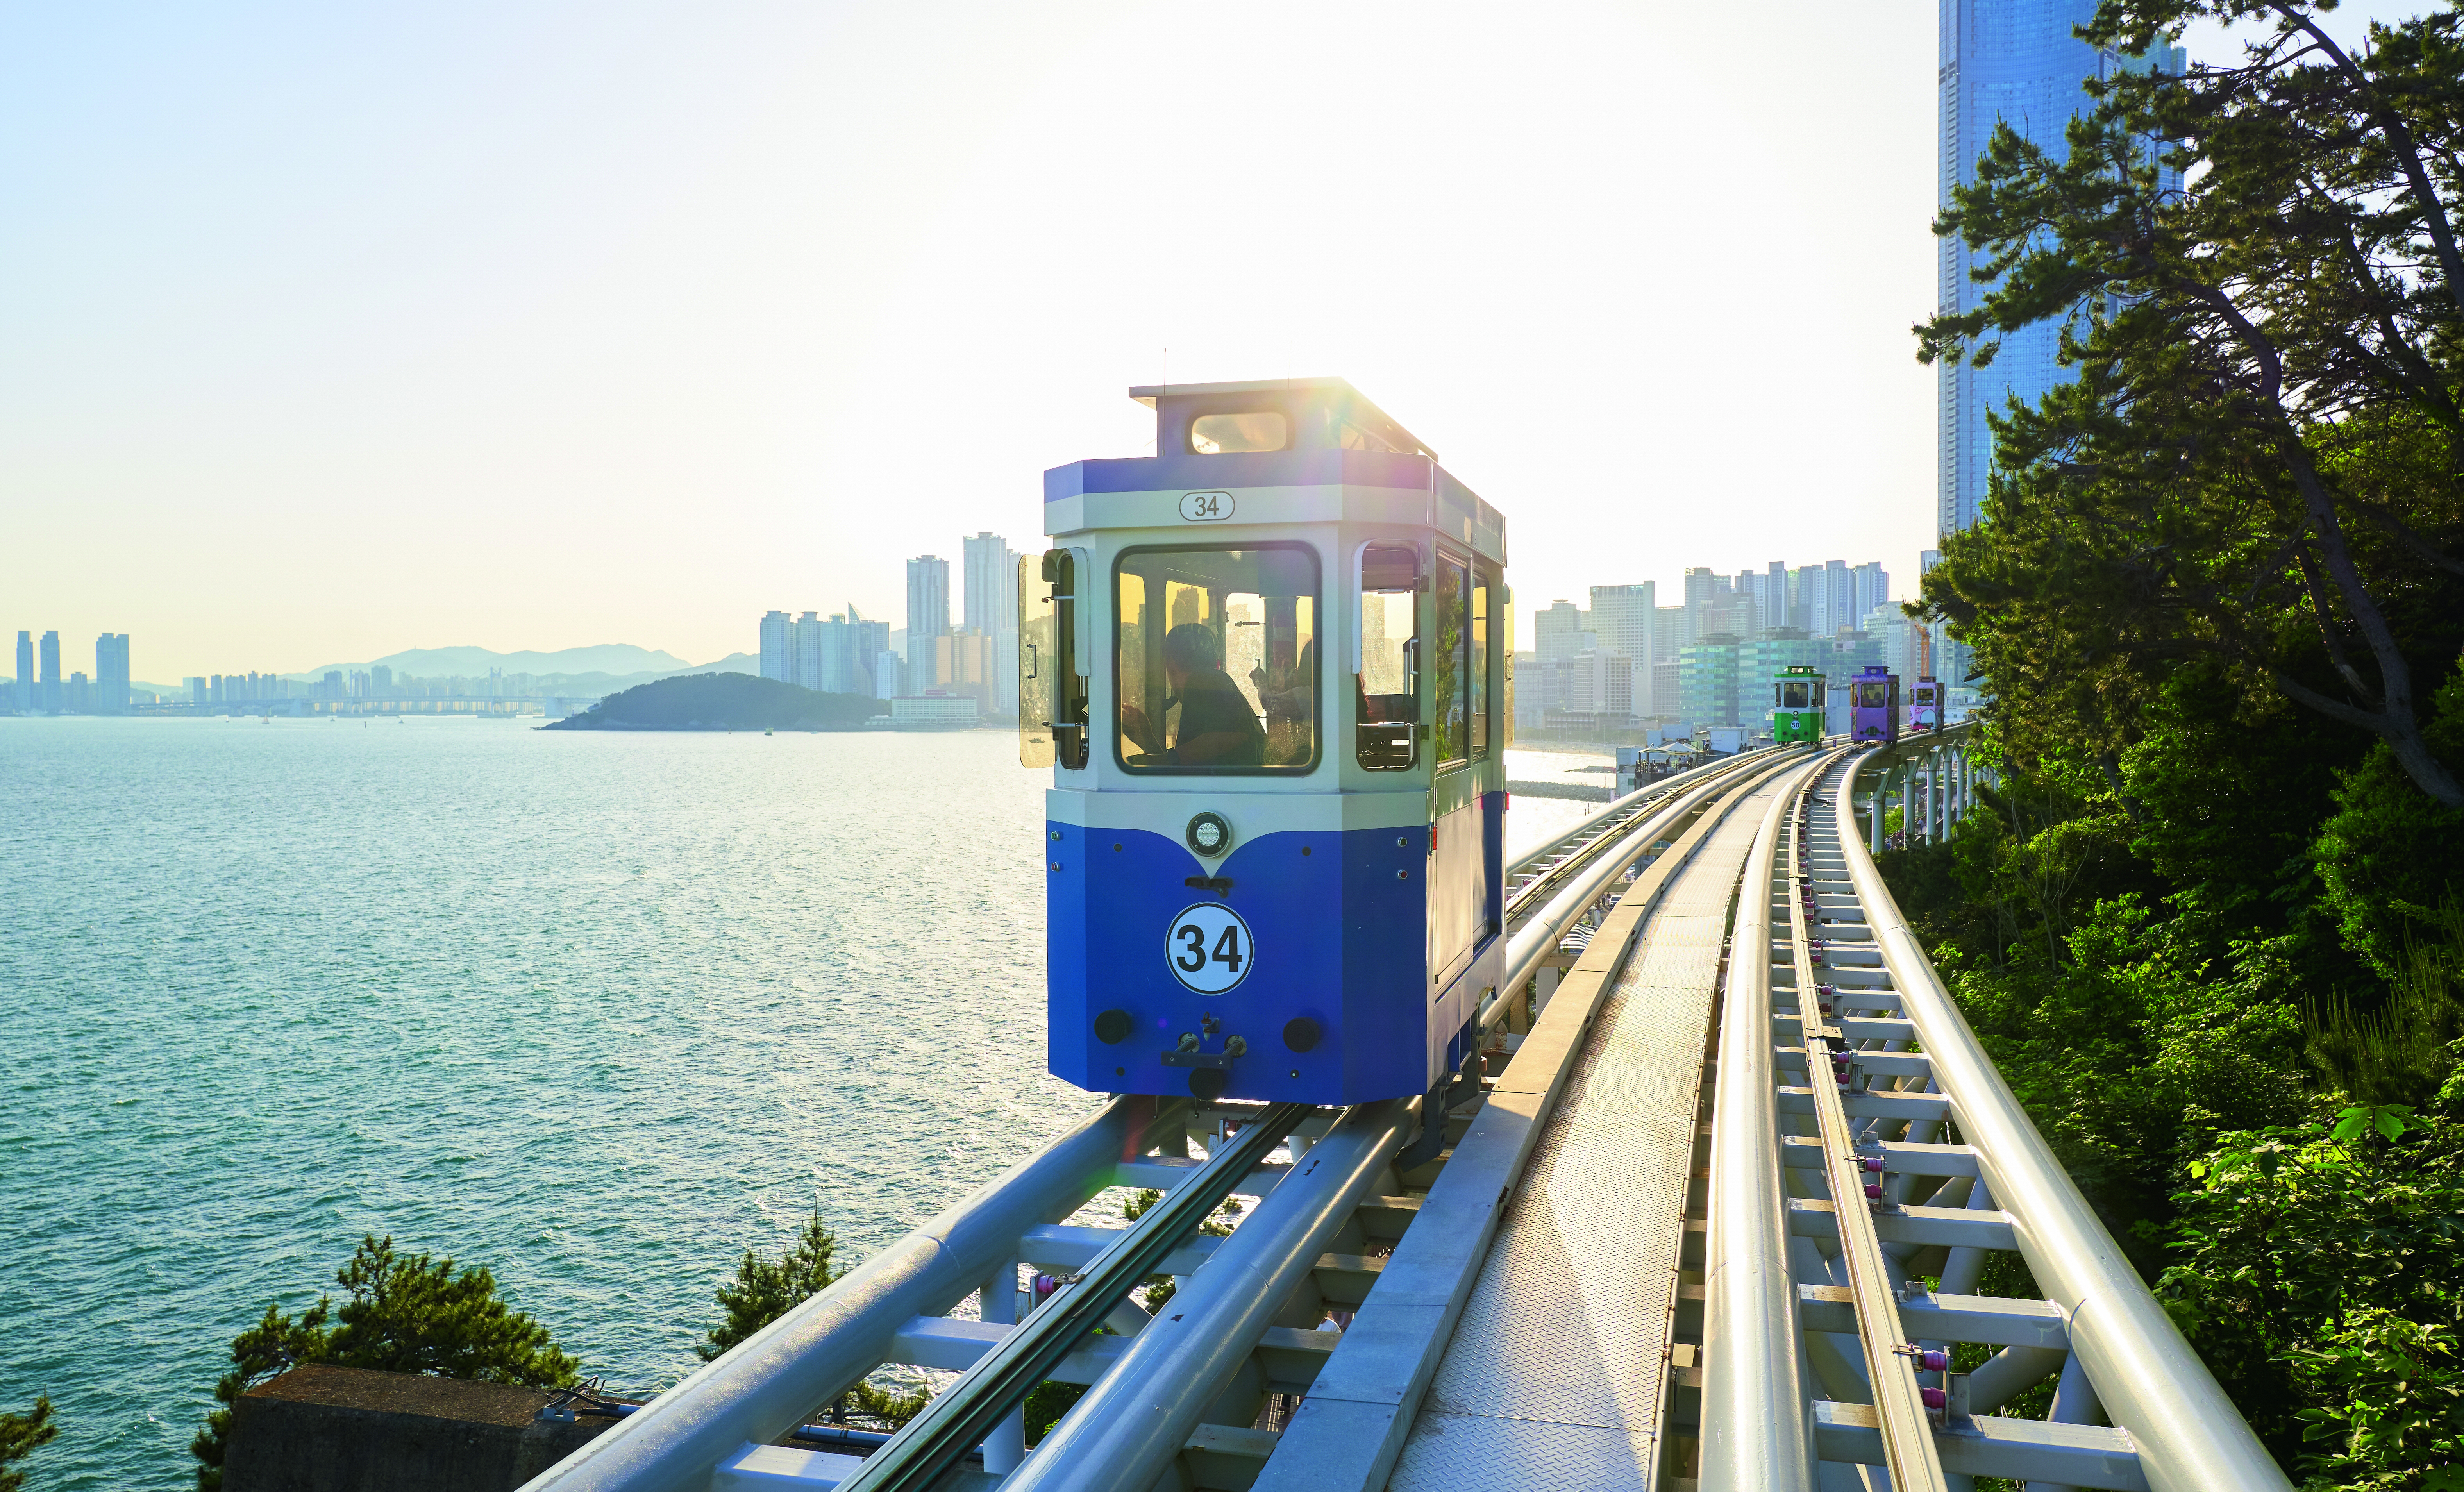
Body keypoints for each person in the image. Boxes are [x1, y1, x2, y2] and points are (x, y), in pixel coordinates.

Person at [1120, 622, 1266, 767]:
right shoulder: (1222, 690)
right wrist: (1147, 740)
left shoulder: (1204, 679)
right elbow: (1182, 770)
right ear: (1218, 664)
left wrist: (1148, 761)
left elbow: (1230, 737)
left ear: (1170, 664)